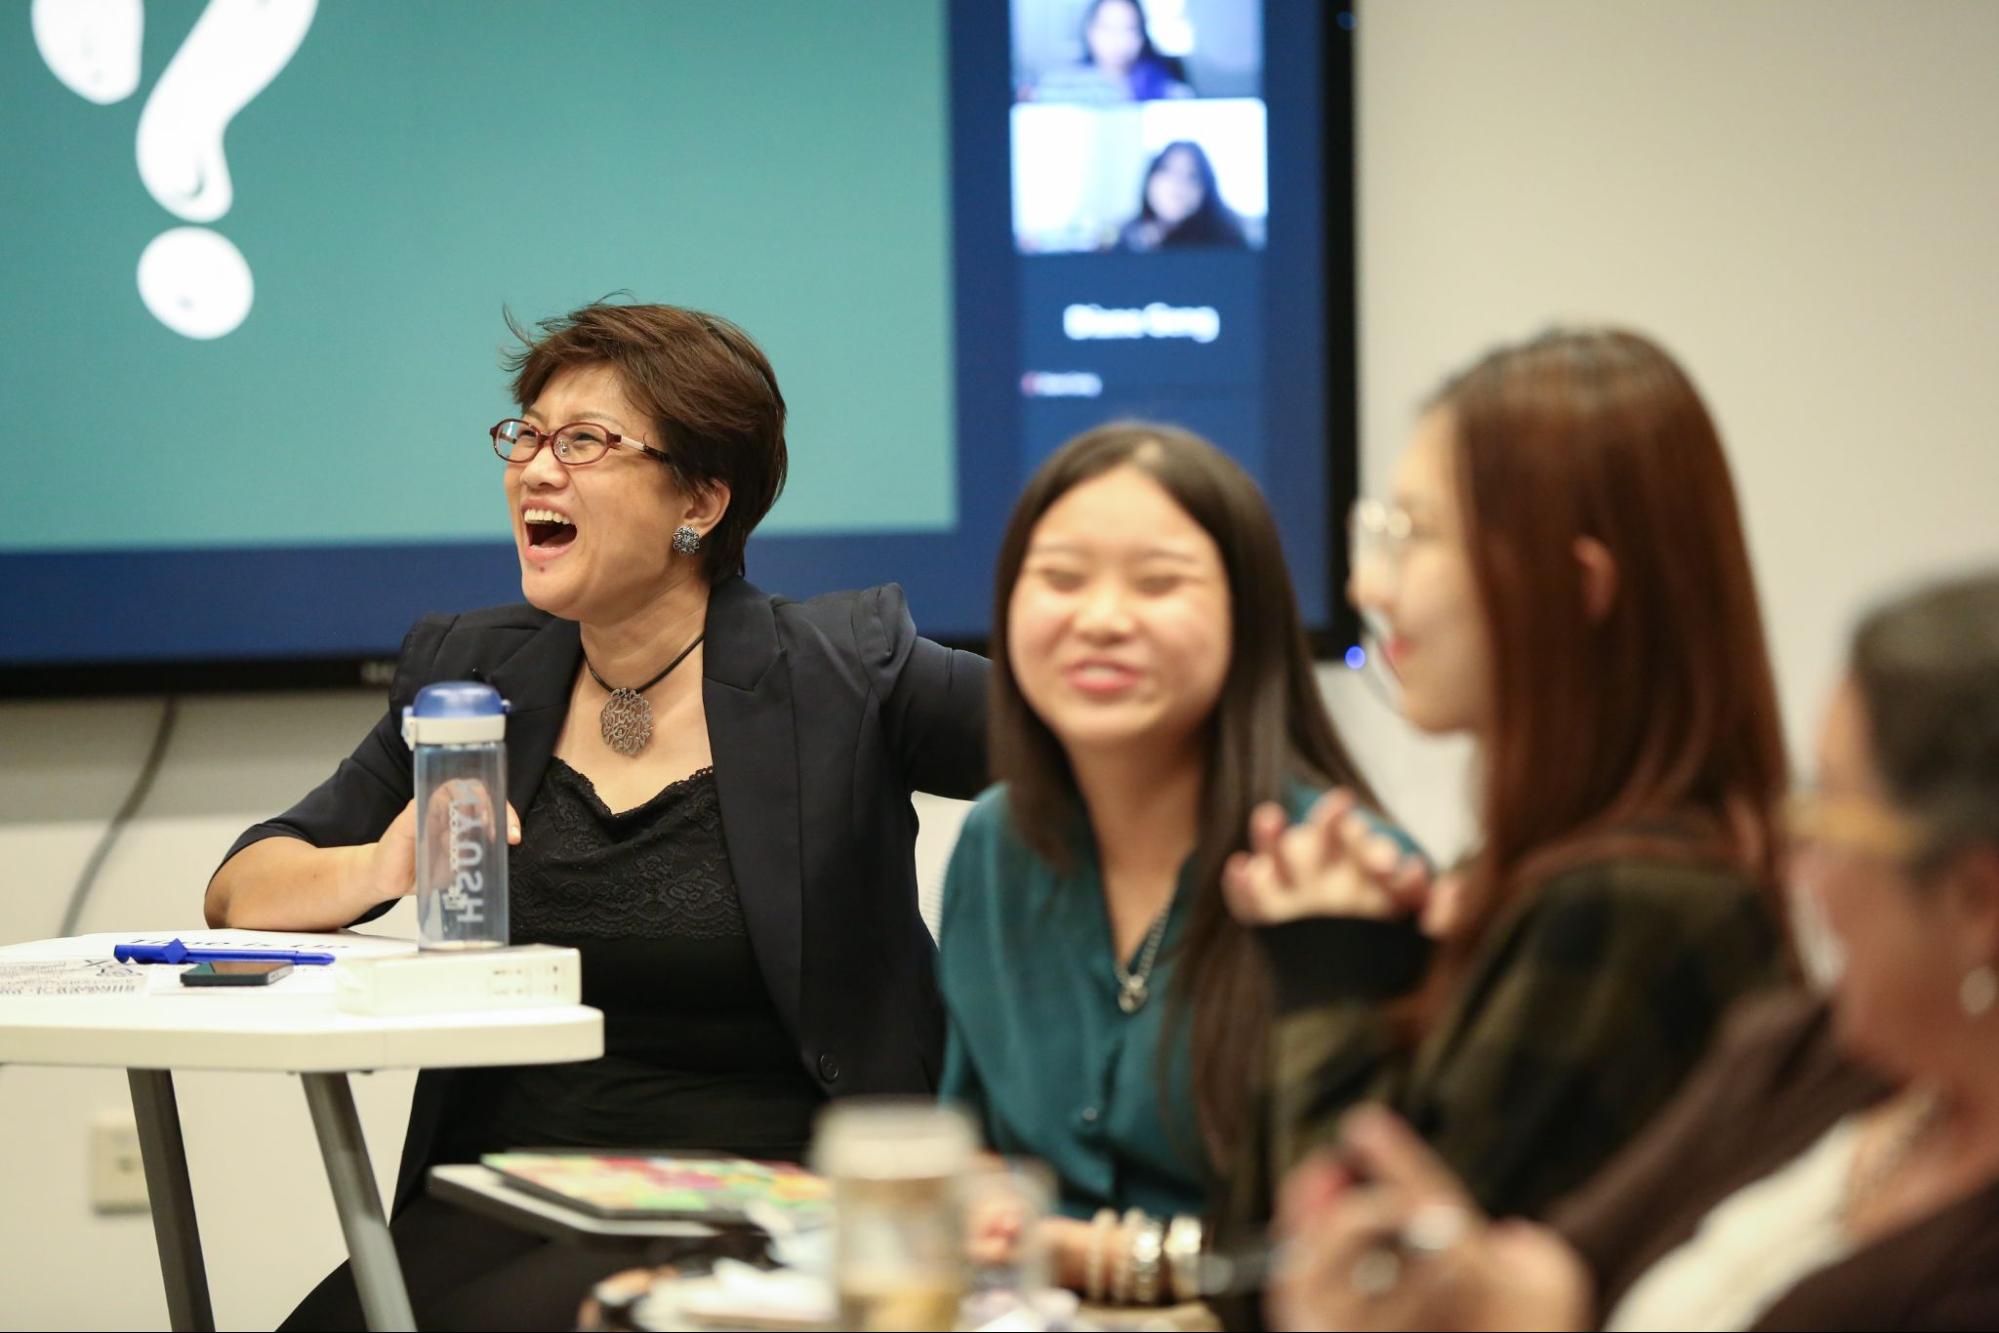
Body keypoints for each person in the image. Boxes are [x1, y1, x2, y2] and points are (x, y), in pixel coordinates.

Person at [204, 301, 989, 1329]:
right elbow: (243, 887)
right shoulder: (472, 671)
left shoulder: (842, 672)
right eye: (524, 435)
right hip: (513, 1190)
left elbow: (1090, 757)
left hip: (781, 1202)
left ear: (699, 499)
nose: (534, 469)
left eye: (584, 442)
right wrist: (382, 865)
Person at [1266, 571, 1999, 1332]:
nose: (1793, 858)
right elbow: (1563, 1271)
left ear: (1978, 899)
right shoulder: (1802, 1054)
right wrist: (1460, 1280)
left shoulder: (1623, 904)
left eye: (1831, 816)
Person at [1220, 328, 1791, 1256]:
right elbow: (1251, 1274)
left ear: (1576, 586)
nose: (1369, 583)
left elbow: (1358, 1290)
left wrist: (1327, 980)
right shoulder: (1546, 883)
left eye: (1417, 536)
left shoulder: (1628, 909)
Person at [937, 422, 1391, 1303]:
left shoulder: (1339, 869)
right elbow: (974, 1141)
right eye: (1061, 578)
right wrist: (983, 1206)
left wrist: (1092, 1256)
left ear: (1247, 615)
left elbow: (1370, 1251)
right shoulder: (995, 842)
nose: (1101, 618)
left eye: (1159, 582)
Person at [1031, 0, 1193, 103]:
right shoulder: (1058, 87)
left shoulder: (1169, 91)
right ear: (1089, 31)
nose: (1118, 40)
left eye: (1129, 29)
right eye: (1107, 28)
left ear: (1142, 35)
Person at [1115, 140, 1249, 253]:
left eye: (1191, 175)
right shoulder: (1125, 238)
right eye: (1167, 170)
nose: (1177, 183)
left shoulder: (1227, 244)